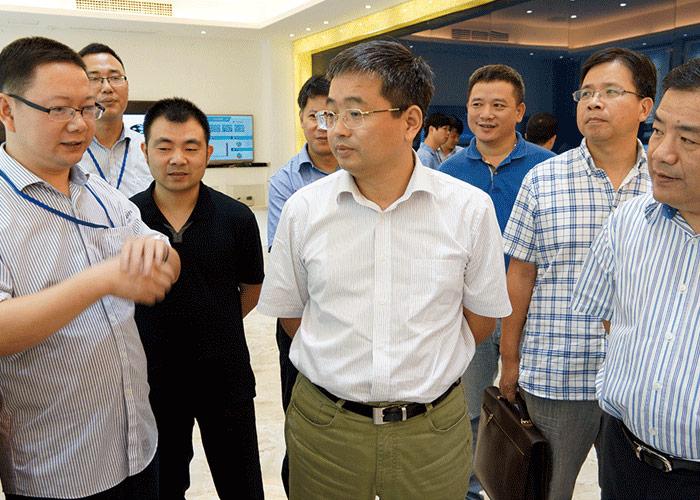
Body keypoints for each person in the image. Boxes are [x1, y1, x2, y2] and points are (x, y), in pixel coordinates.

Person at [258, 39, 511, 500]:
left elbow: (480, 320)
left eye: (356, 113)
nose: (336, 129)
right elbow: (292, 316)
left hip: (431, 430)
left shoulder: (467, 210)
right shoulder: (304, 209)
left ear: (410, 121)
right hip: (327, 428)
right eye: (331, 113)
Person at [0, 36, 180, 499]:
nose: (79, 124)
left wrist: (160, 259)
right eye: (59, 109)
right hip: (58, 466)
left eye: (87, 108)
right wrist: (101, 280)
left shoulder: (98, 191)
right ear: (7, 110)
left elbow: (160, 248)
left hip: (137, 442)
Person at [499, 47, 656, 500]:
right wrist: (509, 360)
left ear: (645, 107)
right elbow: (520, 275)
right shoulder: (543, 179)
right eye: (585, 93)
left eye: (610, 92)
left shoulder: (666, 182)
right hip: (557, 372)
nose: (594, 102)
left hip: (639, 381)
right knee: (546, 489)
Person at [572, 57, 700, 500]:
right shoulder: (629, 222)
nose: (662, 153)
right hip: (624, 457)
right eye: (659, 131)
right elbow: (610, 319)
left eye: (689, 139)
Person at [131, 98, 265, 499]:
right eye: (164, 147)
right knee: (164, 486)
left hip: (225, 376)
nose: (178, 159)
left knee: (241, 485)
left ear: (208, 152)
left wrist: (213, 322)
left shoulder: (236, 218)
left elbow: (251, 289)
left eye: (190, 147)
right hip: (152, 380)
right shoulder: (127, 219)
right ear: (145, 151)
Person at [439, 63, 555, 500]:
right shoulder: (448, 171)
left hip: (532, 314)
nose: (486, 114)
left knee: (530, 412)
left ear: (519, 111)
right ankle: (472, 489)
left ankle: (518, 488)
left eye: (498, 105)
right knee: (469, 409)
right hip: (469, 313)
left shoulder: (546, 169)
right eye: (477, 104)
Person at [267, 75, 337, 496]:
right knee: (301, 411)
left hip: (353, 316)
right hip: (303, 315)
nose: (322, 125)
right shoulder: (286, 179)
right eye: (314, 115)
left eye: (331, 114)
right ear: (301, 119)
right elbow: (284, 258)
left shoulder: (363, 167)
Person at [77, 43, 152, 197]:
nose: (107, 88)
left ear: (127, 85)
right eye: (94, 78)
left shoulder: (149, 150)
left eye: (115, 78)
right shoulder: (65, 151)